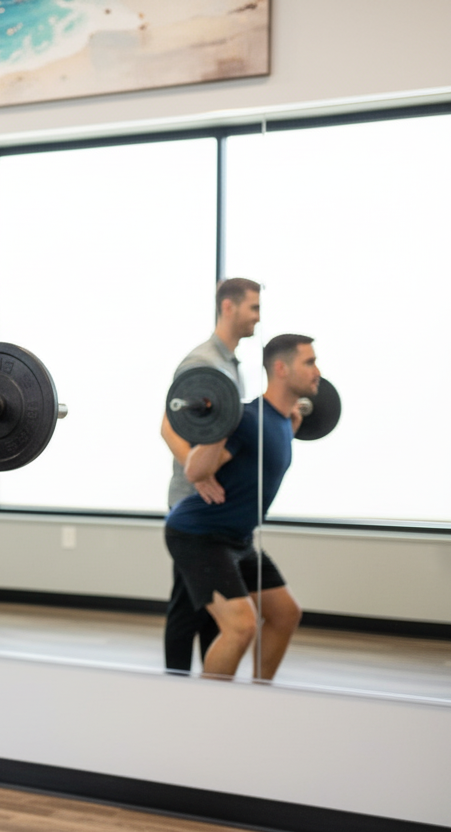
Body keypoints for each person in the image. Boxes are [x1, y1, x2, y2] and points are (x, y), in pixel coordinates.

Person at [163, 334, 313, 681]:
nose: (317, 371)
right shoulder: (245, 418)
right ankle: (208, 713)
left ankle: (258, 695)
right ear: (281, 368)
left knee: (285, 613)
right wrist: (221, 422)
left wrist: (292, 425)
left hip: (237, 539)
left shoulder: (284, 421)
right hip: (198, 535)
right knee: (240, 626)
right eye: (309, 362)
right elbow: (196, 471)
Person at [159, 277, 260, 674]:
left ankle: (203, 685)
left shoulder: (230, 366)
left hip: (210, 504)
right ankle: (180, 688)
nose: (258, 317)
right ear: (229, 307)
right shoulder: (202, 363)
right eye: (253, 307)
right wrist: (197, 474)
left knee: (198, 608)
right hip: (191, 503)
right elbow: (168, 425)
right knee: (188, 609)